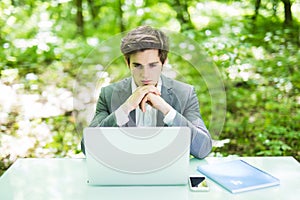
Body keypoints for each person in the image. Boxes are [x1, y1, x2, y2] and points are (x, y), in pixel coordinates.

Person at [81, 25, 212, 159]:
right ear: (127, 63)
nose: (145, 75)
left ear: (164, 62)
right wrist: (125, 108)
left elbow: (203, 149)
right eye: (137, 66)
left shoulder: (185, 93)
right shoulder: (108, 94)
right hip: (123, 171)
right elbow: (88, 148)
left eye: (153, 65)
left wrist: (166, 110)